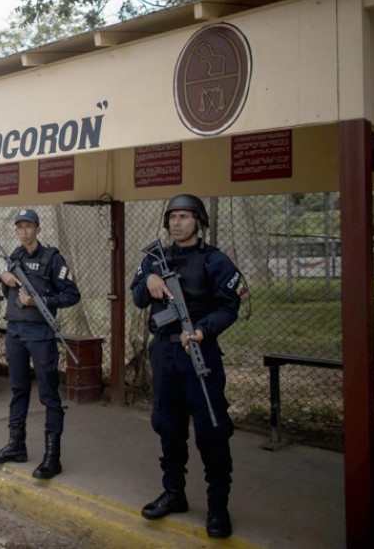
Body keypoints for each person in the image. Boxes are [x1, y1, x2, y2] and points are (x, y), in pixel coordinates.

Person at [129, 194, 243, 539]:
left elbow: (230, 306)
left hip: (199, 352)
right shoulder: (154, 259)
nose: (177, 223)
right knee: (168, 425)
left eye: (184, 216)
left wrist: (202, 330)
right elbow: (136, 296)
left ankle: (218, 505)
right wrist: (148, 283)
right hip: (164, 352)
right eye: (172, 217)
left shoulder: (215, 261)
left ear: (199, 222)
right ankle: (174, 493)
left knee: (211, 427)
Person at [0, 208, 80, 480]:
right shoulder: (14, 256)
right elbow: (8, 290)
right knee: (18, 389)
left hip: (40, 333)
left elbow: (72, 294)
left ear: (38, 229)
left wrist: (42, 300)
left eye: (29, 226)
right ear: (16, 230)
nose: (24, 231)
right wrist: (3, 278)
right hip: (15, 330)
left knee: (49, 394)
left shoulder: (53, 258)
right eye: (20, 227)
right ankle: (17, 445)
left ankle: (53, 457)